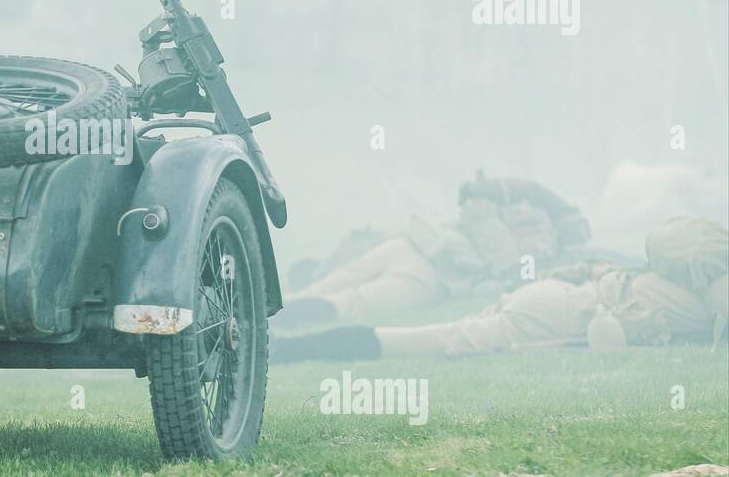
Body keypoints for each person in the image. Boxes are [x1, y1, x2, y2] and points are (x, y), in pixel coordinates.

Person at [272, 217, 729, 361]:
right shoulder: (716, 288)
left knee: (347, 296)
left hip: (551, 295)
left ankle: (283, 340)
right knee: (432, 341)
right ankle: (292, 350)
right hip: (556, 314)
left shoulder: (688, 271)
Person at [284, 171, 591, 323]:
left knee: (351, 302)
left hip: (438, 272)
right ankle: (278, 311)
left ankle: (284, 317)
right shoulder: (500, 212)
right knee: (337, 288)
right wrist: (506, 270)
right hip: (427, 254)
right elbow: (484, 213)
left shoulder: (541, 257)